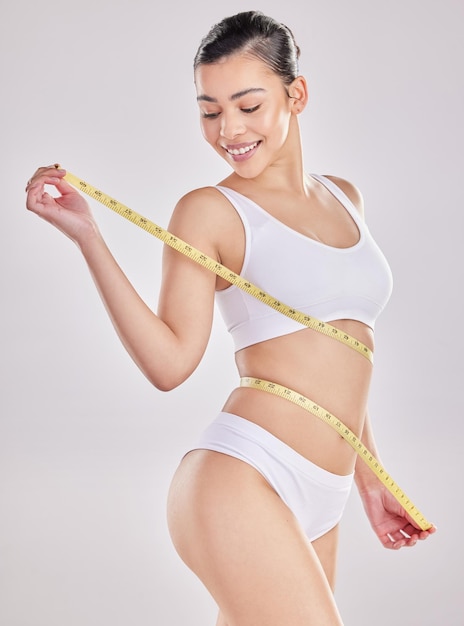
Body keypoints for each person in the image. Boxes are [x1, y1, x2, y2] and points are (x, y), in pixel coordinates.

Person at [25, 10, 435, 626]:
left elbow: (344, 353)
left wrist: (370, 478)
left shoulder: (345, 195)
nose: (228, 130)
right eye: (210, 111)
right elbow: (169, 365)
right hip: (242, 477)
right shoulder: (209, 211)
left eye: (248, 105)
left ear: (295, 94)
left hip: (326, 490)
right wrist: (89, 238)